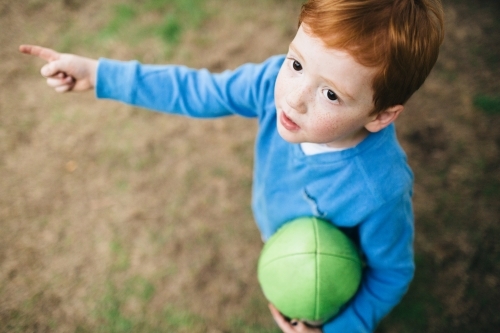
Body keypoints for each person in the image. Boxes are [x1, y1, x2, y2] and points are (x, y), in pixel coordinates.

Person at [19, 0, 444, 332]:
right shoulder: (270, 85)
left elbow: (391, 272)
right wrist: (98, 74)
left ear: (381, 115)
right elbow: (197, 90)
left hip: (328, 283)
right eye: (296, 63)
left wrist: (341, 327)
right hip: (277, 229)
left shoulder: (379, 188)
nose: (293, 97)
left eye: (331, 94)